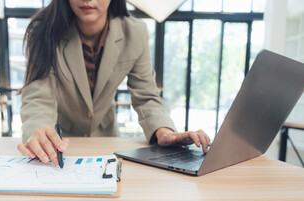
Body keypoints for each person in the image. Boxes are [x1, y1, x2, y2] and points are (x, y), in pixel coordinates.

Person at [17, 0, 211, 166]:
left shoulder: (135, 32)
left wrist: (165, 131)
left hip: (107, 141)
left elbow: (146, 96)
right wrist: (39, 132)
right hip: (60, 143)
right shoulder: (43, 30)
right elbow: (38, 97)